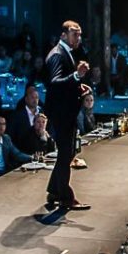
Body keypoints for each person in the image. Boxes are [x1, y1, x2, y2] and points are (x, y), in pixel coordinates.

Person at [44, 20, 92, 212]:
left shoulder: (66, 53)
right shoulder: (57, 54)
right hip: (61, 113)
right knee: (65, 155)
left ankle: (54, 190)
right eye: (74, 34)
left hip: (66, 111)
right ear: (63, 35)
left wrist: (77, 86)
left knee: (68, 153)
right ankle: (66, 197)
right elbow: (54, 82)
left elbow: (63, 85)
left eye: (79, 34)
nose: (78, 38)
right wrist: (76, 76)